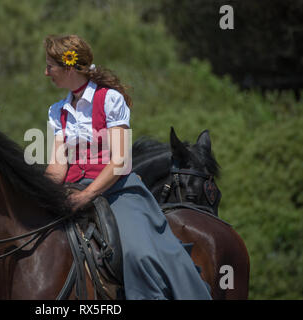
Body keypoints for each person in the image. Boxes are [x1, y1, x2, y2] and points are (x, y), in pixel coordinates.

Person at [44, 34, 212, 300]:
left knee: (138, 253)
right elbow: (57, 166)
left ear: (68, 66)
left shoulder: (110, 99)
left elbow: (120, 161)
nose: (46, 72)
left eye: (50, 66)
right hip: (71, 189)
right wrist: (38, 191)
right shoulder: (57, 111)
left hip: (116, 189)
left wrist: (87, 195)